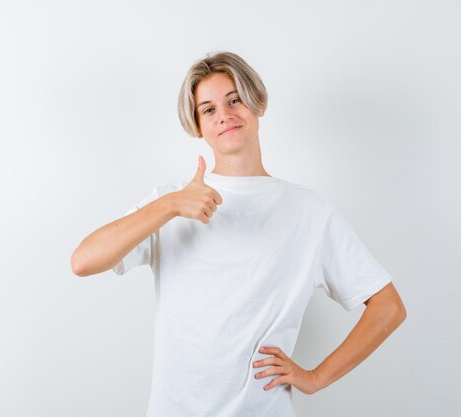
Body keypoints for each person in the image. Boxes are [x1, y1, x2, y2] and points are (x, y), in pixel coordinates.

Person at [71, 51, 406, 417]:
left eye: (234, 100)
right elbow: (83, 261)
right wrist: (169, 206)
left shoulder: (309, 212)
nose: (225, 115)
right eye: (209, 109)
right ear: (198, 126)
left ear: (256, 103)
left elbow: (388, 306)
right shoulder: (173, 202)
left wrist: (316, 378)